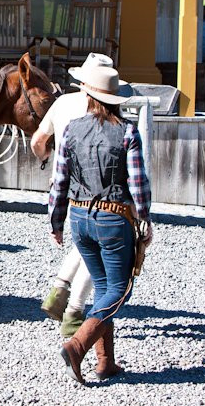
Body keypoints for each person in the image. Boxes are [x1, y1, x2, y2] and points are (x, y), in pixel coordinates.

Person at [48, 64, 154, 384]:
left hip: (79, 219)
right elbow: (138, 185)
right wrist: (145, 219)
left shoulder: (70, 129)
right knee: (121, 290)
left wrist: (56, 220)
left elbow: (59, 180)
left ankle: (106, 362)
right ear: (116, 99)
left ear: (87, 94)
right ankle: (77, 346)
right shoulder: (127, 131)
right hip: (113, 219)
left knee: (105, 289)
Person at [32, 52, 114, 337]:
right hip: (97, 188)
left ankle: (60, 288)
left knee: (84, 243)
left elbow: (38, 141)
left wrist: (48, 160)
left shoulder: (62, 103)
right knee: (96, 249)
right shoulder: (107, 109)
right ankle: (73, 309)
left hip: (62, 183)